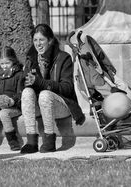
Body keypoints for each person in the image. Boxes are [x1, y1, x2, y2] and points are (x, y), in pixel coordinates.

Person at [20, 24, 85, 154]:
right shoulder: (30, 59)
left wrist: (40, 82)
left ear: (50, 40)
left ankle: (49, 140)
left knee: (45, 94)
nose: (38, 44)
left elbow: (67, 88)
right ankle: (31, 141)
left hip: (62, 105)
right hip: (40, 106)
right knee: (27, 92)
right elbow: (23, 88)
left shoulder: (63, 58)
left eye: (41, 40)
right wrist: (26, 83)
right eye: (35, 40)